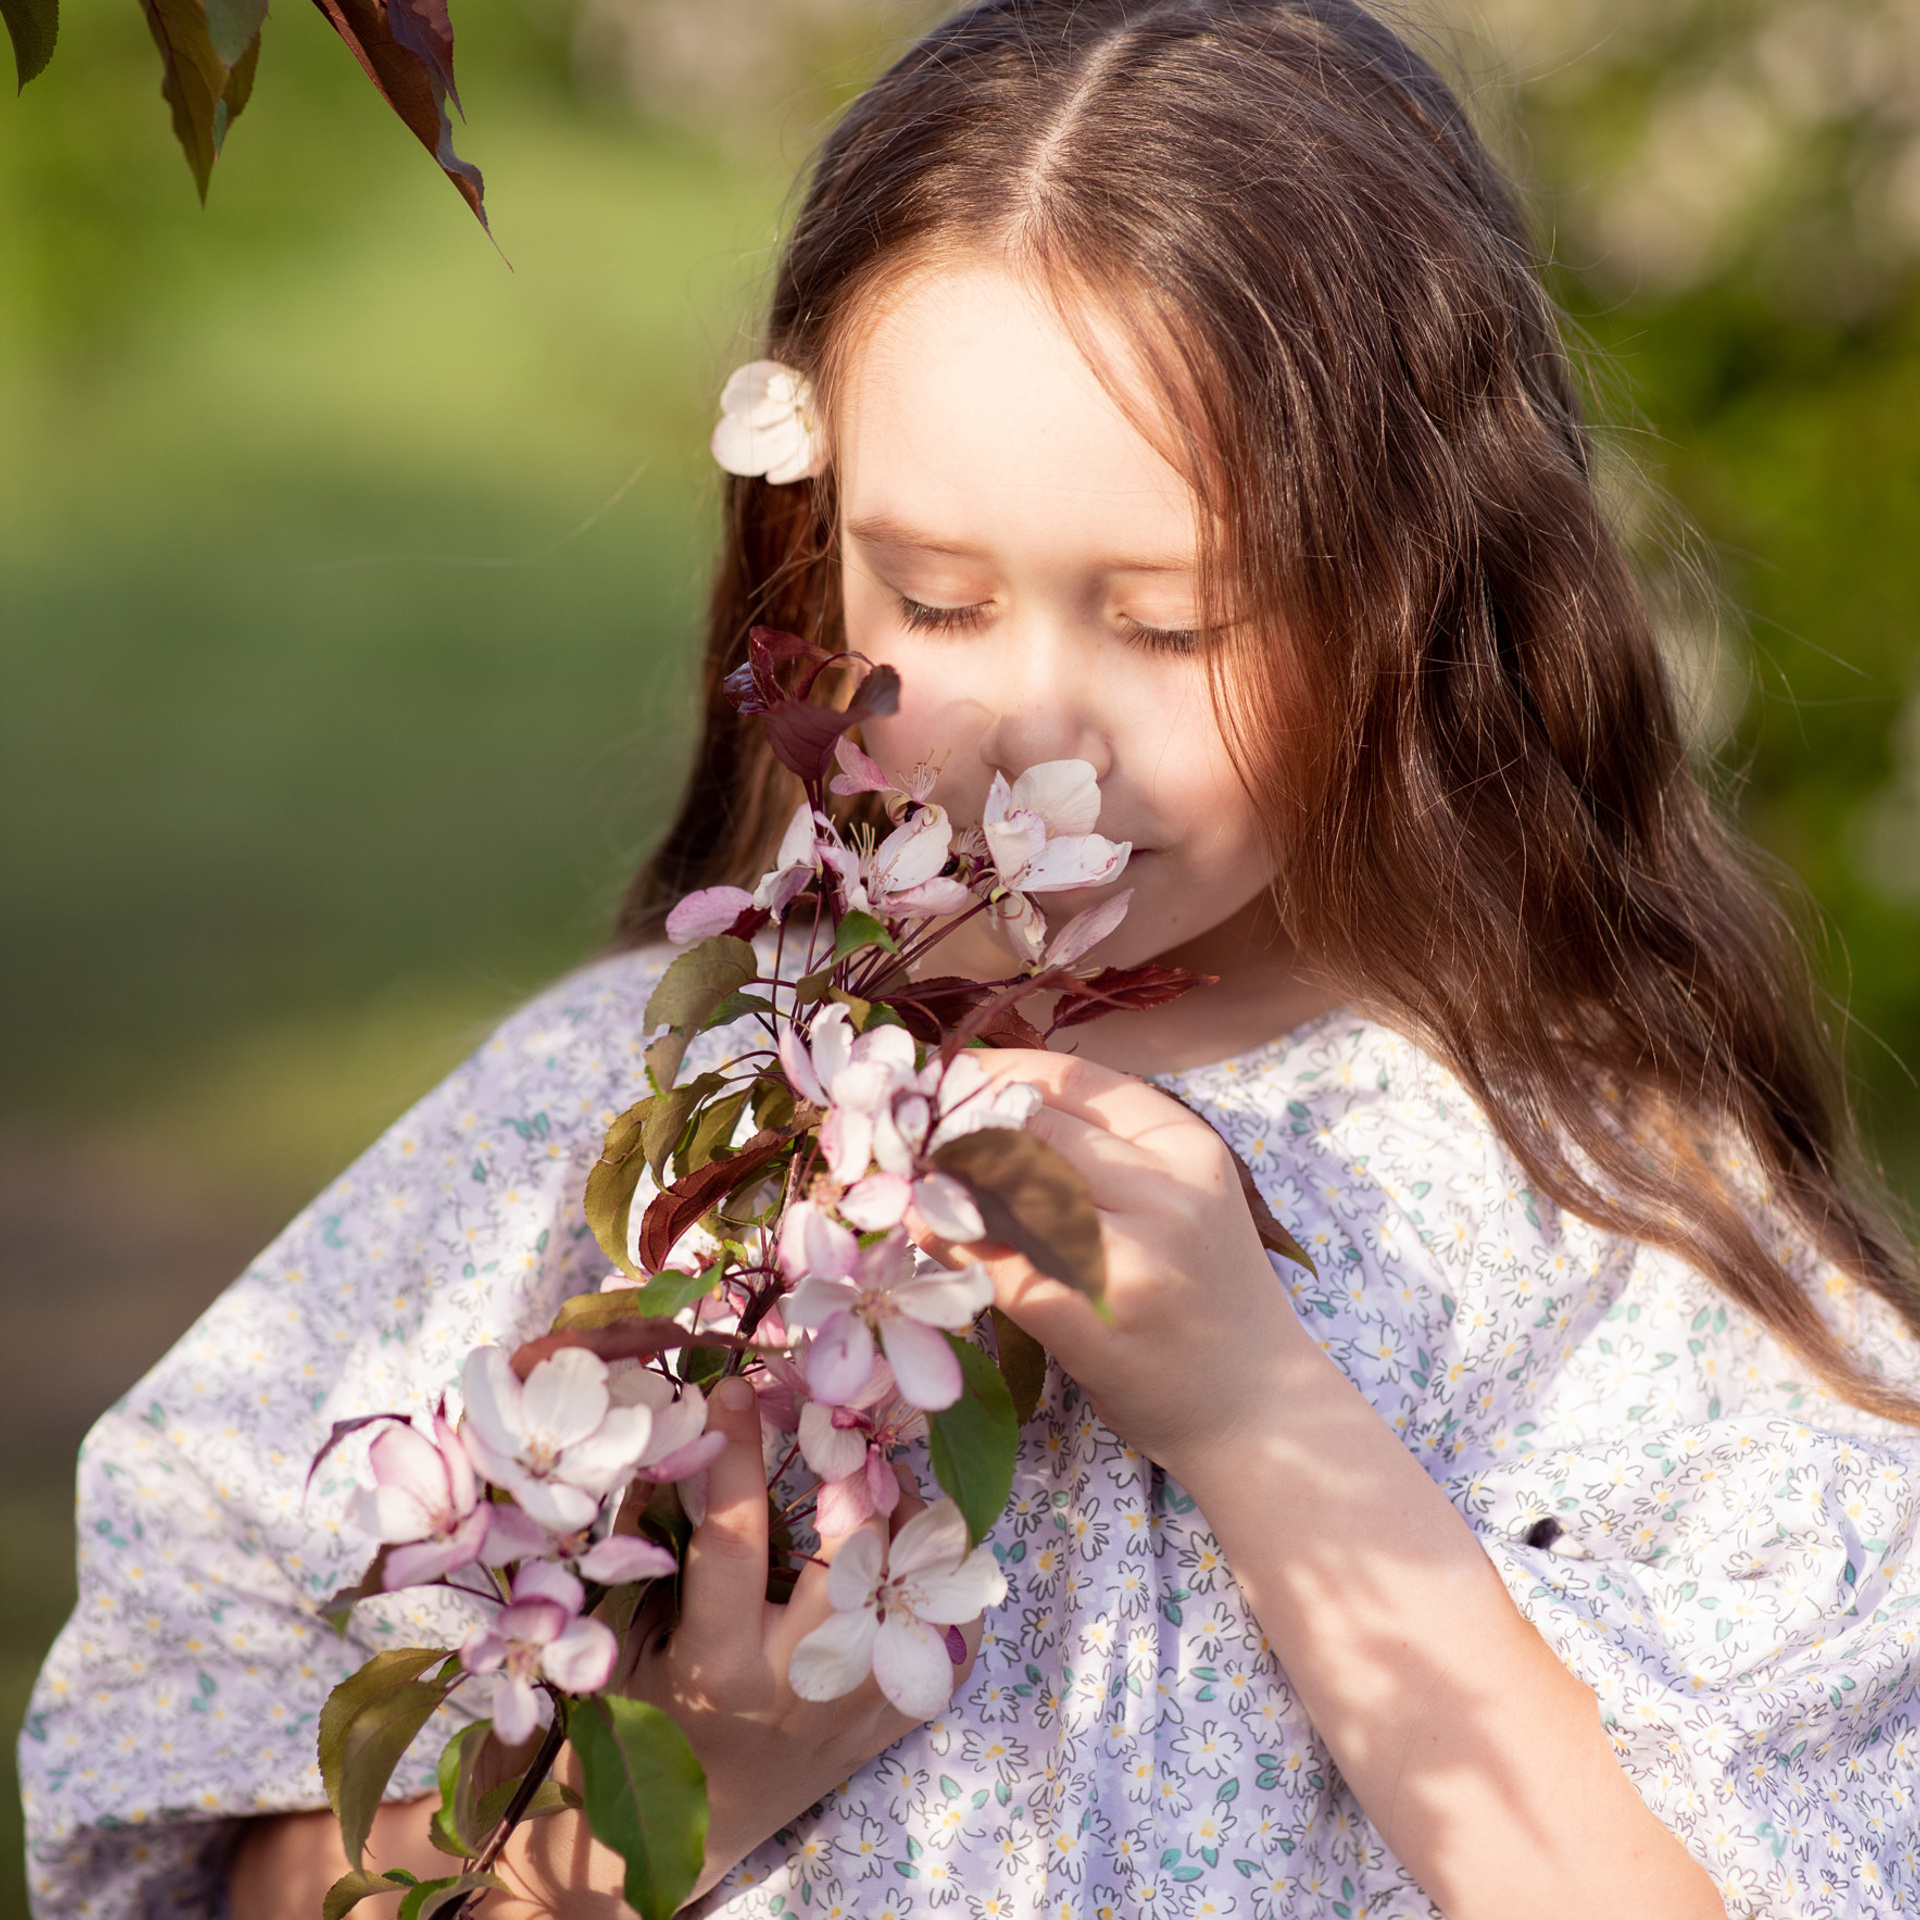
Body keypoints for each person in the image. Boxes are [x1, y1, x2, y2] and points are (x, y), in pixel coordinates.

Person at [21, 0, 1920, 1914]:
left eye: (1174, 624)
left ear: (1417, 588)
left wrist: (1261, 1411)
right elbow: (216, 1858)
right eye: (934, 594)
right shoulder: (620, 1123)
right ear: (811, 545)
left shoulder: (1588, 1217)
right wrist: (659, 1801)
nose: (1038, 735)